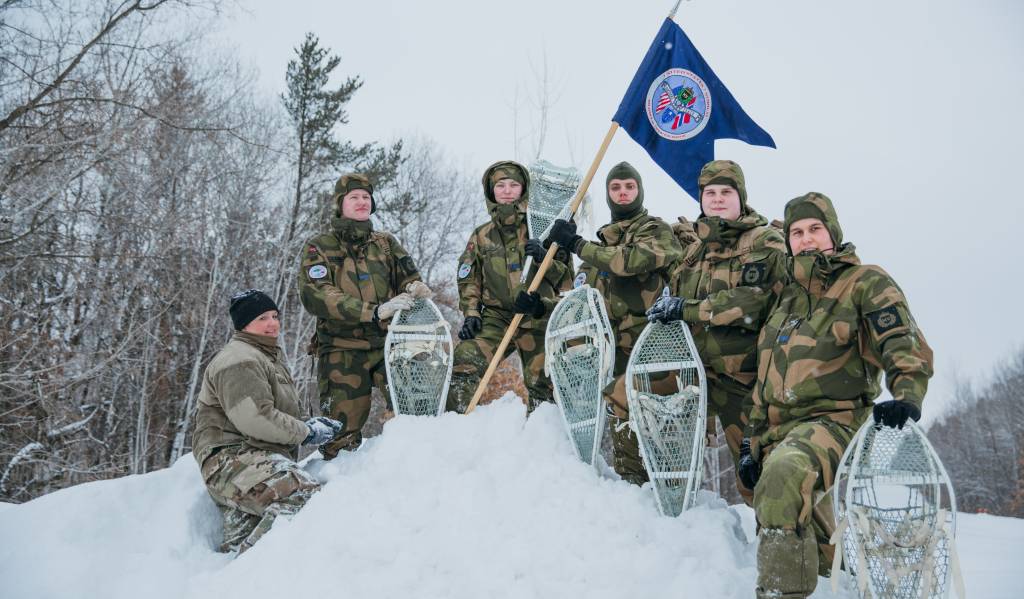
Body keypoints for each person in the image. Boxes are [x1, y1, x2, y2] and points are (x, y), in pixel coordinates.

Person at [737, 192, 933, 598]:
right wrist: (749, 440)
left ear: (832, 233)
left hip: (834, 420)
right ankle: (835, 584)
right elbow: (767, 376)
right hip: (780, 428)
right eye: (796, 232)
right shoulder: (787, 298)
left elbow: (901, 341)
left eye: (815, 229)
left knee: (782, 480)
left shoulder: (863, 282)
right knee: (785, 514)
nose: (806, 239)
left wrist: (907, 394)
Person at [645, 160, 787, 503]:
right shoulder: (694, 252)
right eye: (710, 193)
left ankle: (778, 547)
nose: (718, 199)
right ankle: (651, 503)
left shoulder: (764, 241)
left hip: (746, 383)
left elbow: (751, 300)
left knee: (757, 477)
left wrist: (688, 309)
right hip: (696, 374)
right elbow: (675, 295)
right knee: (626, 397)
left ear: (741, 197)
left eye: (726, 192)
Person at [546, 161, 682, 485]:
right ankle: (634, 489)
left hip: (653, 346)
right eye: (616, 188)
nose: (623, 193)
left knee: (658, 424)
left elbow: (628, 261)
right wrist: (541, 296)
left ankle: (671, 493)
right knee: (621, 416)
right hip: (611, 352)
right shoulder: (599, 248)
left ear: (639, 191)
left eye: (629, 187)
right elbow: (576, 301)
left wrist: (578, 244)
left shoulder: (656, 231)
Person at [192, 289, 345, 554]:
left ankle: (237, 576)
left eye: (275, 316)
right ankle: (255, 573)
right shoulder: (239, 359)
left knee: (245, 541)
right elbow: (255, 418)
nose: (273, 323)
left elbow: (271, 413)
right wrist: (307, 432)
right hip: (232, 460)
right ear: (244, 324)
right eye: (262, 318)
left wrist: (310, 424)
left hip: (248, 460)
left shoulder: (263, 356)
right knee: (304, 495)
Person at [297, 173, 431, 459]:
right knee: (340, 439)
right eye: (354, 197)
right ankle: (343, 492)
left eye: (366, 197)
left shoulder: (385, 243)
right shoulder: (319, 247)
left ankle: (415, 474)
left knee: (417, 413)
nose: (361, 202)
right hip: (342, 350)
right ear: (340, 204)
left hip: (388, 346)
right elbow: (317, 294)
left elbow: (408, 277)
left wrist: (413, 287)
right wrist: (373, 312)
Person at [447, 160, 573, 414]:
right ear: (491, 191)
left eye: (514, 185)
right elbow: (469, 278)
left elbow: (567, 279)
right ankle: (456, 427)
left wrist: (543, 257)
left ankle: (543, 437)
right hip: (496, 319)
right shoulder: (481, 235)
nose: (507, 190)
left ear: (524, 189)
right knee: (465, 361)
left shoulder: (545, 229)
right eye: (501, 185)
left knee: (543, 381)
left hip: (537, 317)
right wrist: (471, 313)